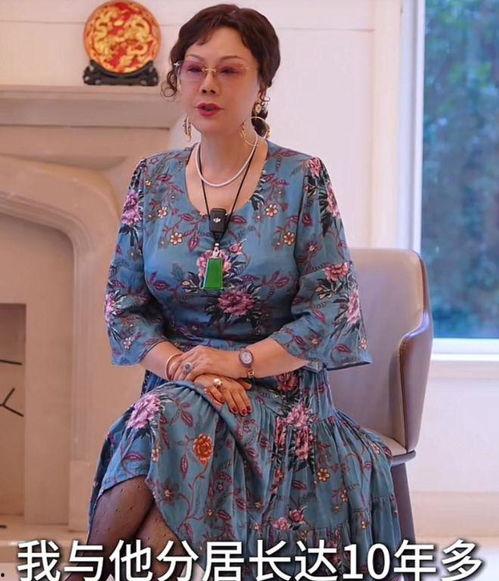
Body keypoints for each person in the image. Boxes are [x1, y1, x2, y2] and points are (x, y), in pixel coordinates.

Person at [66, 4, 403, 581]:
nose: (208, 85)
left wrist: (237, 363)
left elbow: (331, 311)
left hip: (281, 398)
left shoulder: (302, 178)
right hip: (181, 390)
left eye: (229, 70)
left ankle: (82, 571)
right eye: (194, 69)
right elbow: (124, 310)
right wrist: (189, 369)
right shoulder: (152, 178)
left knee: (164, 426)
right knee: (171, 422)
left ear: (262, 84)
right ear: (178, 78)